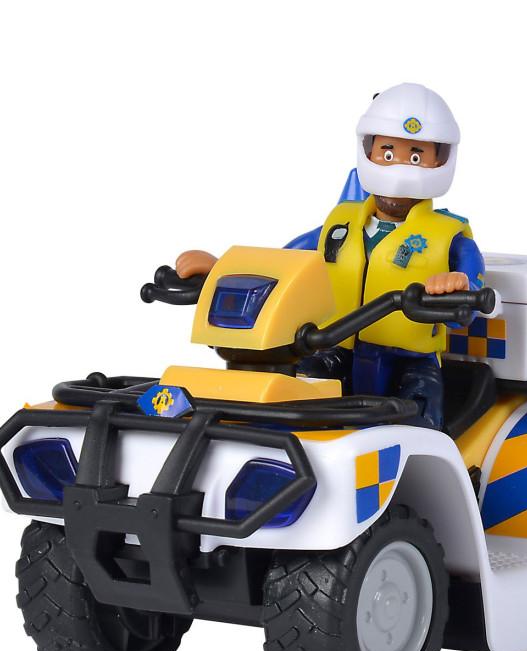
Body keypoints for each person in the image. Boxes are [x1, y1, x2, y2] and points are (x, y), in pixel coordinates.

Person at [176, 83, 485, 429]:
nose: (399, 167)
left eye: (416, 156)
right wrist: (222, 269)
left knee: (417, 420)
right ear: (368, 150)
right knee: (286, 395)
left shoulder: (450, 237)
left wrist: (457, 286)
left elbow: (472, 299)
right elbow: (281, 264)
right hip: (333, 348)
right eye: (387, 152)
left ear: (440, 160)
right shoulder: (339, 225)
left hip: (410, 361)